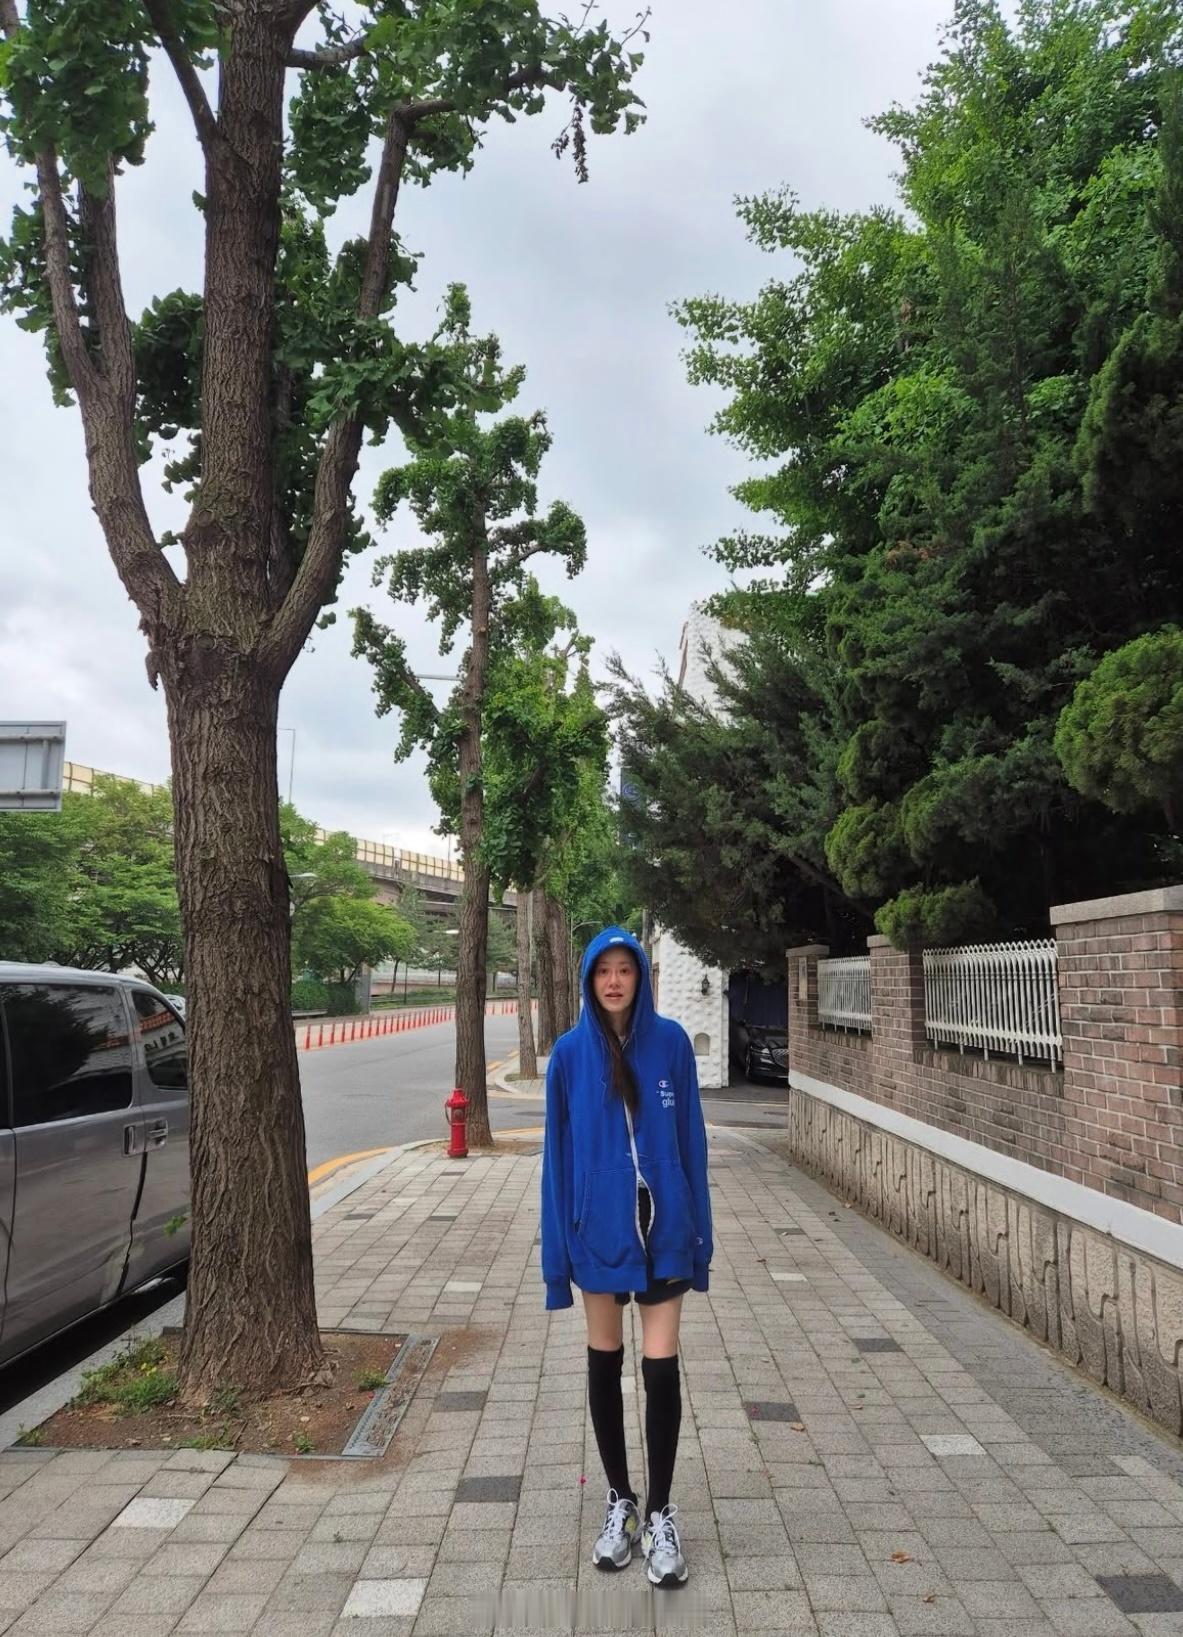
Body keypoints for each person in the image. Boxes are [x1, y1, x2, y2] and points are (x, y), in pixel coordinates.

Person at [540, 926, 713, 1589]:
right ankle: (621, 1501)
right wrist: (557, 1258)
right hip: (598, 1230)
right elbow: (557, 1161)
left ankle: (661, 1511)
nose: (614, 980)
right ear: (590, 979)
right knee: (604, 1359)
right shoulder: (568, 1055)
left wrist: (701, 1237)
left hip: (665, 1226)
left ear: (641, 976)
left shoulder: (671, 1043)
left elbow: (691, 1142)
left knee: (660, 1367)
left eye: (625, 969)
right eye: (603, 970)